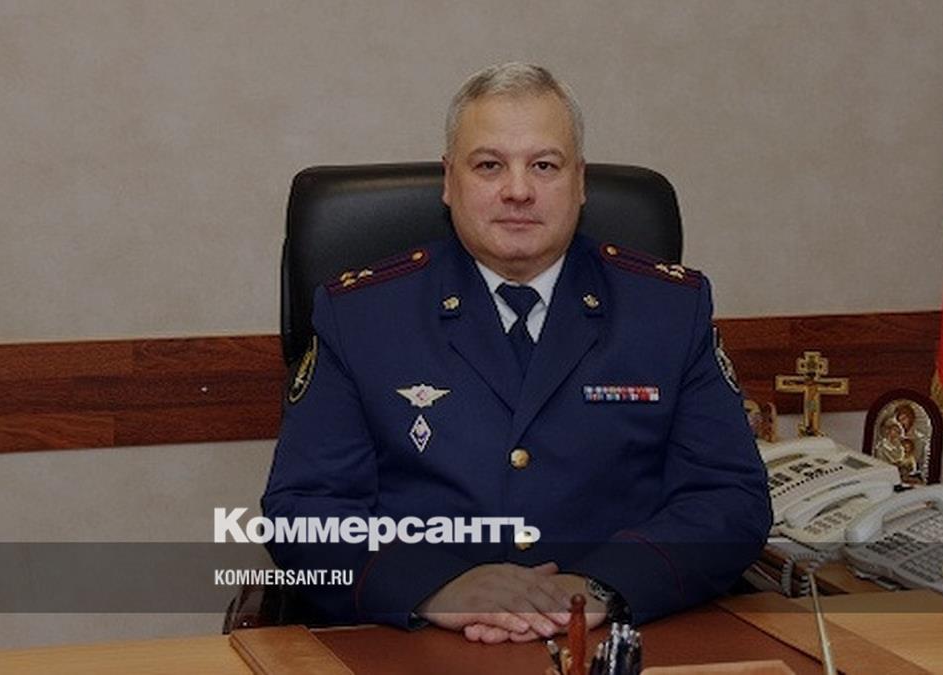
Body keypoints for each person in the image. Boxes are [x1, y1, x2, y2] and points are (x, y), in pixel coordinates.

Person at [262, 62, 771, 644]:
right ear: (449, 181)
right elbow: (303, 510)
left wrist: (603, 586)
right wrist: (434, 586)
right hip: (419, 643)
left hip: (611, 638)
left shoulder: (667, 311)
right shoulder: (361, 315)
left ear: (580, 181)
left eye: (544, 166)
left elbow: (730, 499)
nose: (518, 191)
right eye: (489, 165)